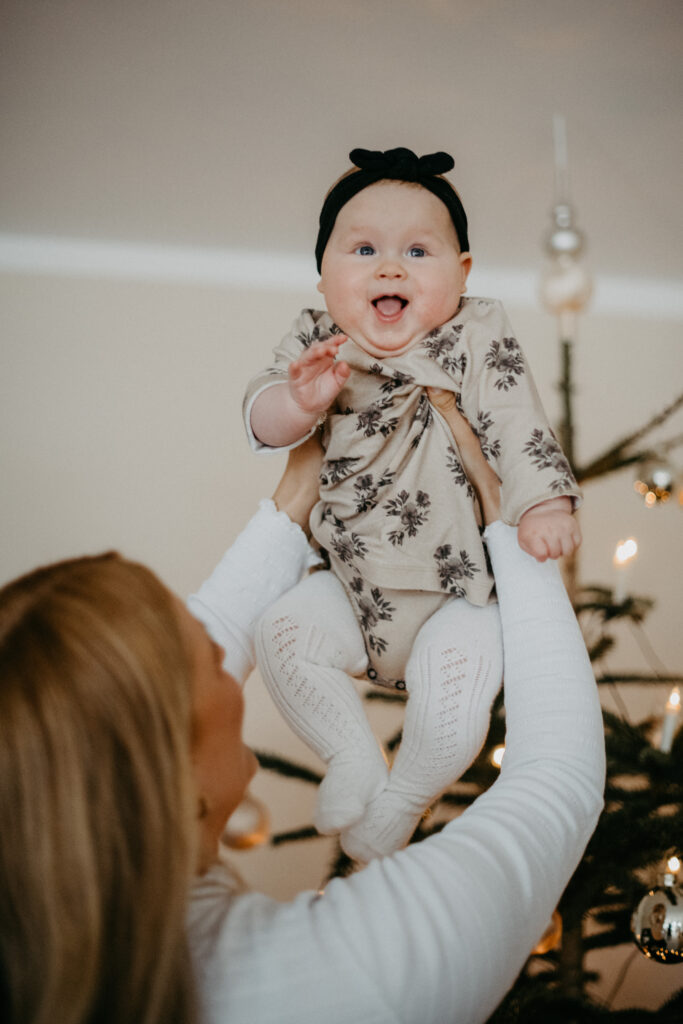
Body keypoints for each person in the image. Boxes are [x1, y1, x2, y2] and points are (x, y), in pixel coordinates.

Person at [0, 396, 604, 1024]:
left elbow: (167, 662)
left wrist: (299, 490)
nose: (226, 650)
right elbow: (558, 778)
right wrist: (507, 514)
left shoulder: (44, 929)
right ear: (169, 777)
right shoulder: (348, 974)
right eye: (209, 657)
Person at [243, 146, 582, 861]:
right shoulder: (318, 342)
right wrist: (298, 402)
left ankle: (402, 799)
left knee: (454, 707)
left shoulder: (475, 335)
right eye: (364, 249)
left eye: (418, 252)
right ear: (323, 274)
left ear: (462, 272)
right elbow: (264, 418)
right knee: (280, 634)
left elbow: (515, 421)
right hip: (349, 585)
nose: (390, 268)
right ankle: (352, 757)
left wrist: (545, 504)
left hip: (460, 593)